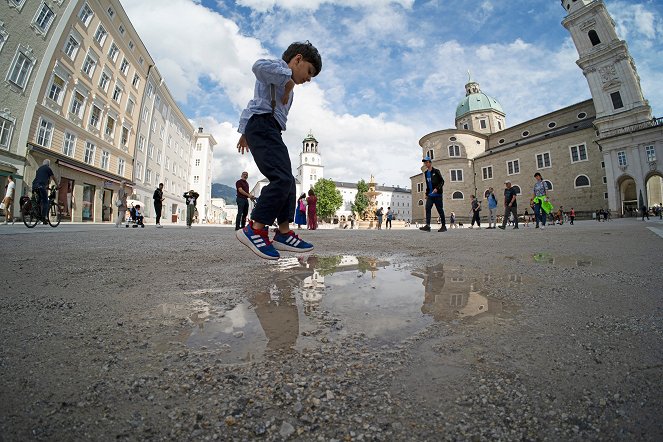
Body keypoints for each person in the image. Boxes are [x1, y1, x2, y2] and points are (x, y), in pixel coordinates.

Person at [235, 41, 322, 260]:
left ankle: (283, 233)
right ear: (298, 59)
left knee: (289, 180)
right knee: (280, 179)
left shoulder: (291, 91)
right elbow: (257, 67)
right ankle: (254, 229)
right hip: (262, 125)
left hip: (272, 129)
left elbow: (256, 102)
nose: (309, 79)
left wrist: (245, 132)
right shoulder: (275, 67)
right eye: (309, 72)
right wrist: (289, 79)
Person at [419, 156, 447, 232]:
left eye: (427, 162)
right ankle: (428, 226)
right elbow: (428, 185)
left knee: (440, 210)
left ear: (430, 163)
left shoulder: (436, 171)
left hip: (438, 195)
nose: (425, 163)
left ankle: (444, 226)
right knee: (427, 208)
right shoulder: (426, 173)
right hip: (430, 195)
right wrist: (426, 193)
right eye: (424, 162)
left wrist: (437, 189)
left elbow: (442, 181)